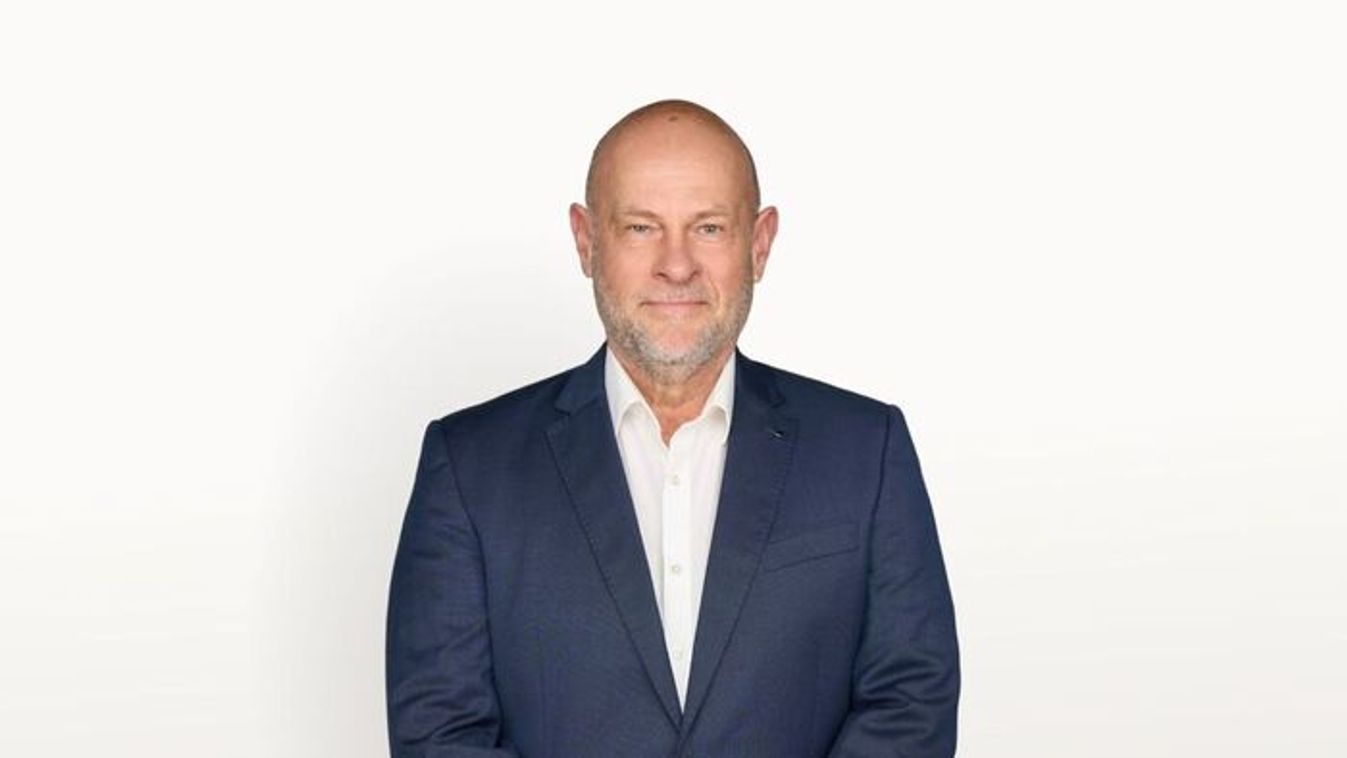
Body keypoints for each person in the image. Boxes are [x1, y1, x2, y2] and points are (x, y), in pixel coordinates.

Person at [385, 99, 961, 757]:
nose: (677, 265)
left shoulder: (866, 450)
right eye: (641, 228)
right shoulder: (468, 467)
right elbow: (439, 733)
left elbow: (910, 702)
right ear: (586, 240)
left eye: (709, 228)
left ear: (759, 243)